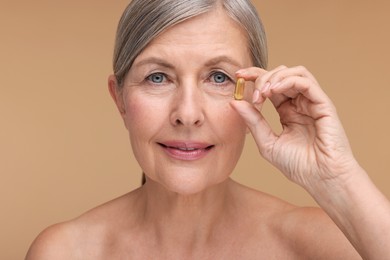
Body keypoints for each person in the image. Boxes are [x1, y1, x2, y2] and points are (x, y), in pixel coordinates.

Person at [26, 0, 390, 259]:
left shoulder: (325, 244)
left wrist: (338, 179)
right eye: (158, 77)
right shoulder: (64, 251)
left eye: (218, 77)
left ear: (256, 95)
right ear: (119, 98)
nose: (187, 113)